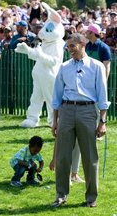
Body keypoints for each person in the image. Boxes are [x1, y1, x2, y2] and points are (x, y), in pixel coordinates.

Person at [51, 33, 109, 208]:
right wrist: (55, 121)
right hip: (66, 111)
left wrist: (102, 121)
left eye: (72, 46)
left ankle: (91, 197)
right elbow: (57, 97)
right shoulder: (64, 67)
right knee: (62, 156)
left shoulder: (97, 66)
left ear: (82, 44)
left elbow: (102, 96)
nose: (70, 50)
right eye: (68, 47)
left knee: (90, 156)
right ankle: (61, 195)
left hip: (88, 111)